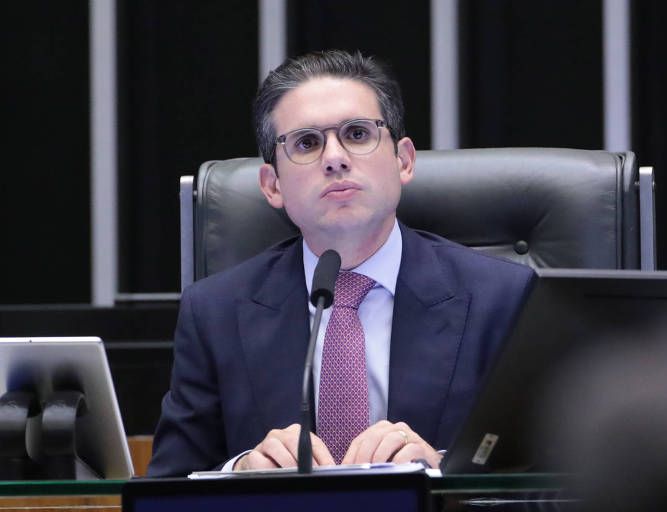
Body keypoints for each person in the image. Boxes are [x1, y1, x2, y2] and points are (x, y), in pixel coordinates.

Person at [147, 49, 535, 477]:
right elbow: (167, 487)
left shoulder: (504, 298)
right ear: (272, 185)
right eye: (307, 143)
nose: (335, 157)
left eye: (357, 134)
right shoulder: (214, 312)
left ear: (403, 160)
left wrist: (441, 470)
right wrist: (239, 471)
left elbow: (553, 481)